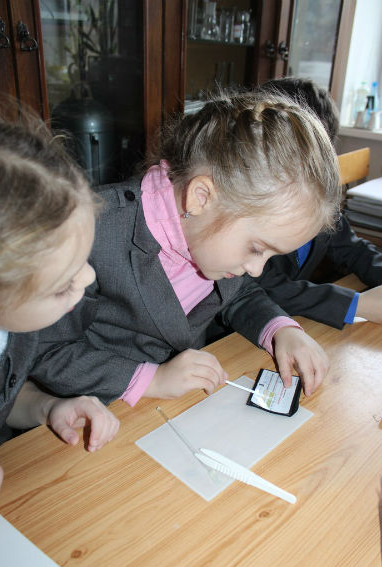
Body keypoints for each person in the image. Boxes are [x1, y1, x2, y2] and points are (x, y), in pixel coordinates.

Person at [30, 89, 341, 416]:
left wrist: (280, 329)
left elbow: (237, 294)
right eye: (257, 249)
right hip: (95, 412)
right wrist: (151, 380)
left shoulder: (214, 236)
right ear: (200, 198)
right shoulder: (91, 234)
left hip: (175, 409)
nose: (256, 269)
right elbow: (46, 350)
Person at [0, 109, 119, 509]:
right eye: (63, 285)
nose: (89, 278)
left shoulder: (8, 326)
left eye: (83, 261)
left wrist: (46, 406)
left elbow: (2, 400)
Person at [238, 77, 382, 331]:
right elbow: (260, 287)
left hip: (288, 322)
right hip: (234, 331)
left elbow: (353, 249)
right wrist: (356, 304)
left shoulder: (316, 195)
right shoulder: (244, 208)